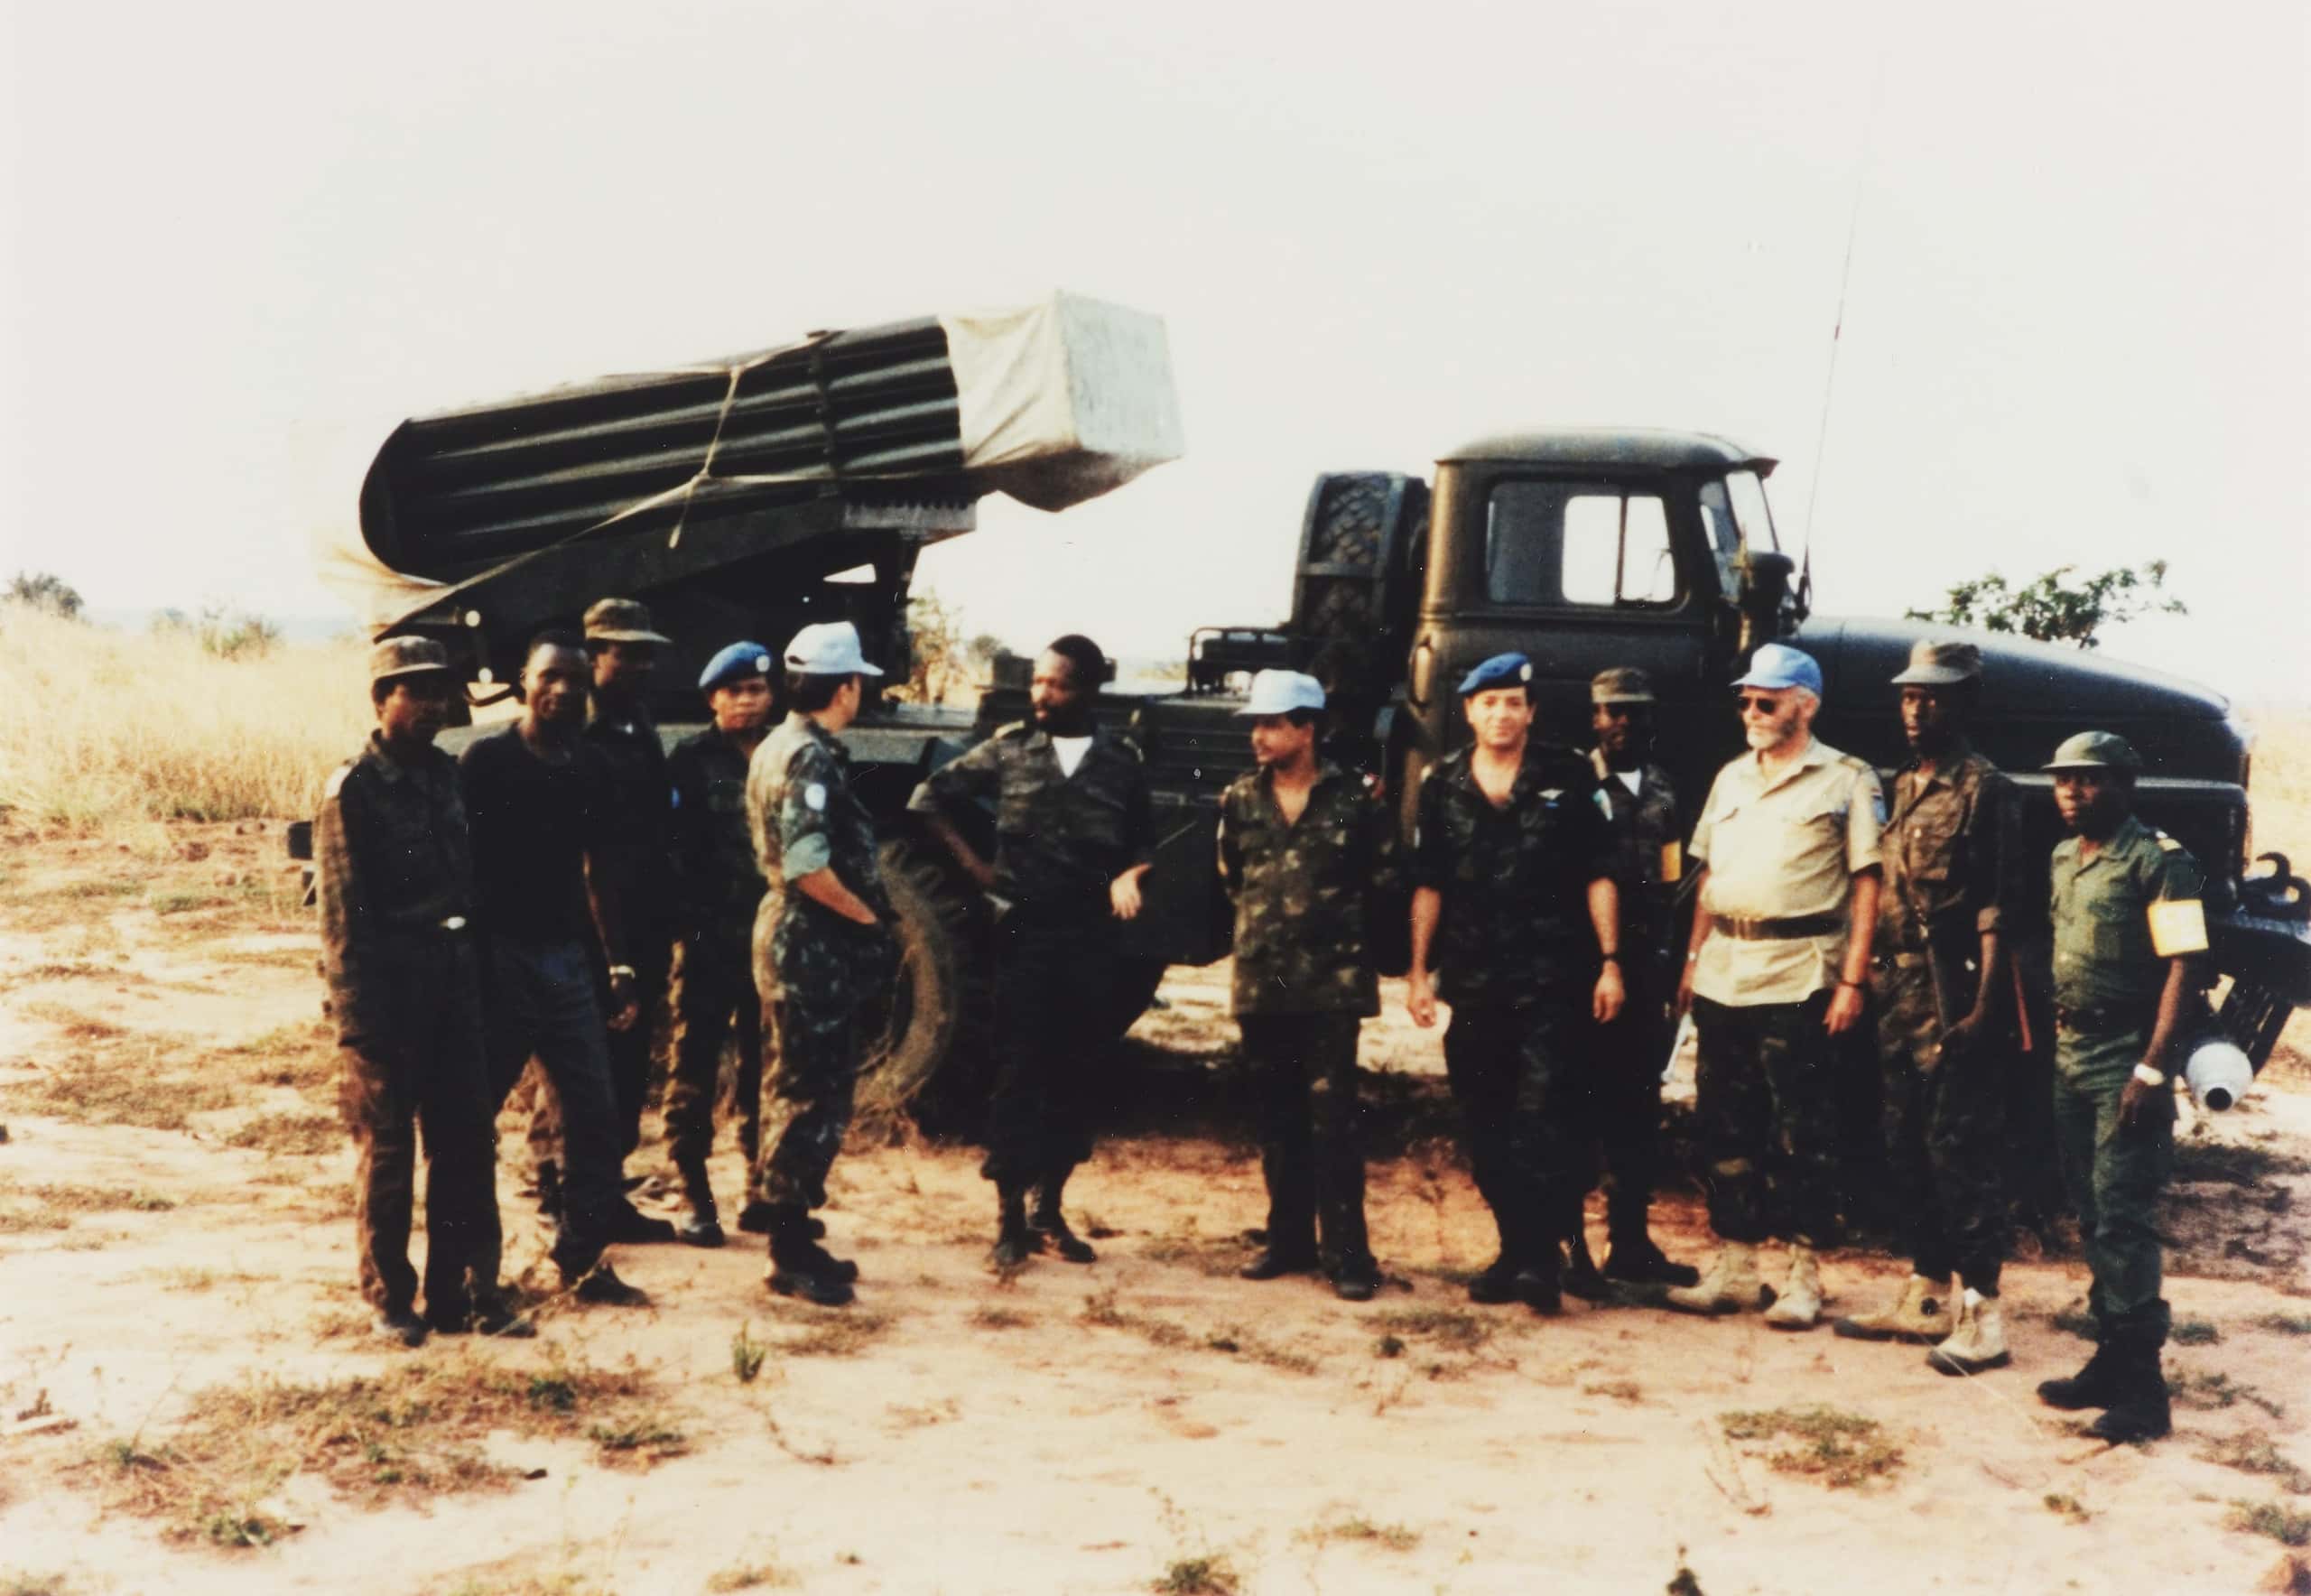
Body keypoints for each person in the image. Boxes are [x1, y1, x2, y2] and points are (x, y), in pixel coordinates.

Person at [910, 634, 1153, 1269]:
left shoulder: (1122, 761)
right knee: (1018, 1072)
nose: (1043, 693)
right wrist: (979, 872)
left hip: (1091, 938)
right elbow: (929, 799)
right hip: (1024, 935)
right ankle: (1009, 1219)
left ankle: (1050, 1211)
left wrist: (1132, 874)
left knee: (1075, 1072)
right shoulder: (1010, 749)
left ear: (1089, 690)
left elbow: (1144, 841)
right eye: (1039, 681)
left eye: (1059, 684)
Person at [314, 637, 527, 1346]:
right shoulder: (353, 790)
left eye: (440, 692)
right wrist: (357, 1021)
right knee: (388, 1153)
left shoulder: (446, 775)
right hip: (390, 995)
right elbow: (343, 920)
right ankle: (389, 1299)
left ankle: (461, 1292)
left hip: (455, 988)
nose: (432, 705)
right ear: (381, 702)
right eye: (415, 692)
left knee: (466, 1143)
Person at [1666, 643, 1883, 1329]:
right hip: (1727, 969)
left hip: (1800, 973)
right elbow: (1708, 875)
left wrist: (1853, 977)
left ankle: (1803, 1274)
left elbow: (1867, 882)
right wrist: (1694, 958)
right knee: (1723, 1126)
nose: (1752, 712)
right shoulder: (1731, 778)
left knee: (1801, 1131)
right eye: (1746, 701)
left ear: (1805, 705)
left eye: (1768, 701)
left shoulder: (1846, 779)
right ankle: (1734, 1267)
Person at [1406, 653, 1624, 1318]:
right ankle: (1513, 1249)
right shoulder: (1442, 782)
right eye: (1488, 702)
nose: (1501, 713)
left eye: (1512, 702)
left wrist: (1611, 960)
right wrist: (1419, 971)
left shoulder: (1567, 775)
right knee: (1485, 1120)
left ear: (1530, 712)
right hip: (1475, 982)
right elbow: (1429, 883)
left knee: (1544, 1117)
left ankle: (1539, 1259)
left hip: (1554, 979)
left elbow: (1599, 871)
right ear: (1469, 712)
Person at [461, 631, 672, 1309]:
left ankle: (579, 1263)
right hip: (501, 962)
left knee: (595, 1117)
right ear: (524, 680)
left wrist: (619, 964)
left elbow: (598, 871)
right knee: (474, 1117)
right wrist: (469, 963)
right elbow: (459, 867)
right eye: (551, 677)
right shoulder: (486, 761)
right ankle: (469, 1271)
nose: (563, 691)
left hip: (567, 964)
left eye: (578, 682)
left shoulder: (591, 766)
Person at [1833, 640, 2025, 1374]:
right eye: (1910, 696)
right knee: (1904, 1143)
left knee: (1961, 1152)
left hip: (1954, 992)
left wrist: (1983, 1010)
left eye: (1934, 697)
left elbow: (2001, 909)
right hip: (1899, 992)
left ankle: (1984, 1317)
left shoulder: (1988, 790)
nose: (1917, 709)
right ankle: (1925, 1295)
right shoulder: (1906, 783)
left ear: (1966, 702)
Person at [2033, 731, 2206, 1443]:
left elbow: (2185, 966)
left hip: (2126, 1057)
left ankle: (2144, 1392)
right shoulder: (2064, 859)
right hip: (2072, 1050)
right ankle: (2109, 1360)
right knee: (2089, 1205)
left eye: (2090, 780)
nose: (2073, 791)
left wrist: (2152, 1066)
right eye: (2063, 780)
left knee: (2123, 1214)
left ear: (2126, 786)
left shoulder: (2161, 864)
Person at [1216, 670, 1401, 1302]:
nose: (1259, 736)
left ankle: (1348, 1255)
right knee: (1277, 1119)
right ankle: (1287, 1240)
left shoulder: (1355, 800)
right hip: (1264, 982)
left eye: (1272, 724)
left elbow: (1382, 883)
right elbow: (1233, 879)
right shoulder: (1240, 799)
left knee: (1334, 1123)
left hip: (1331, 985)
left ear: (1308, 728)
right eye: (1256, 725)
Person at [747, 620, 896, 1306]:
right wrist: (867, 918)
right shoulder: (807, 756)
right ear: (846, 686)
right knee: (805, 1092)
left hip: (798, 939)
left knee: (802, 1084)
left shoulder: (780, 744)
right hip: (810, 941)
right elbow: (807, 864)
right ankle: (785, 1249)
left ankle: (795, 1232)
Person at [1561, 666, 1698, 1295]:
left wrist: (1674, 966)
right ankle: (1571, 1248)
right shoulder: (1574, 784)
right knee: (1578, 1106)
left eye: (1633, 713)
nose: (1621, 724)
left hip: (1647, 969)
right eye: (1610, 712)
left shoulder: (1665, 790)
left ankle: (1631, 1243)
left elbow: (1672, 881)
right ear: (1594, 719)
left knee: (1638, 1107)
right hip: (1586, 968)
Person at [661, 641, 776, 1248]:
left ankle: (760, 1186)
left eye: (757, 691)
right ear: (714, 699)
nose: (749, 702)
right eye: (737, 693)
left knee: (767, 1064)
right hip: (709, 938)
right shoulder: (690, 759)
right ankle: (691, 1189)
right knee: (695, 1064)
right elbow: (671, 848)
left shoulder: (784, 753)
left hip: (770, 942)